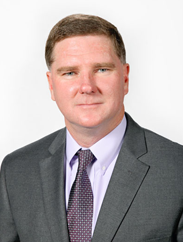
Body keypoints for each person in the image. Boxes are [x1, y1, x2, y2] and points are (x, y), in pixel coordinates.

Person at [0, 14, 183, 242]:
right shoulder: (16, 171)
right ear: (51, 85)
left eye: (102, 70)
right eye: (69, 73)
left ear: (125, 78)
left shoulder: (177, 170)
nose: (87, 86)